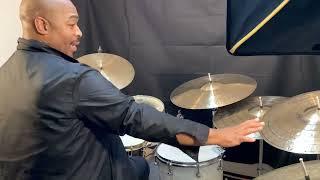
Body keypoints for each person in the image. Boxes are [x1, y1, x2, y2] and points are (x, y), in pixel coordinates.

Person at [0, 0, 264, 179]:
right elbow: (134, 117)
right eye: (71, 24)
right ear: (42, 25)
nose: (79, 32)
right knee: (147, 168)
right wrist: (215, 135)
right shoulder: (72, 77)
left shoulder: (5, 72)